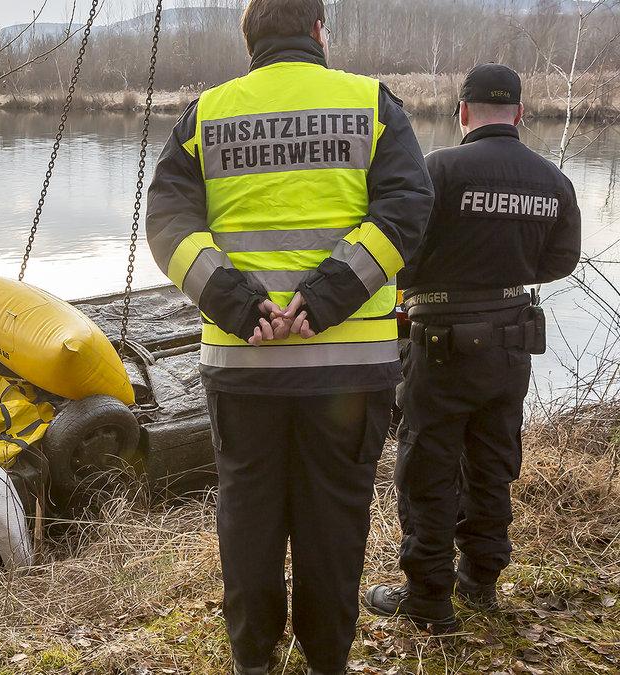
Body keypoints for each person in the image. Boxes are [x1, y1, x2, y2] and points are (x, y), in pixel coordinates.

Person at [145, 0, 433, 672]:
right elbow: (408, 208)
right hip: (350, 370)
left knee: (248, 515)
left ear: (249, 40)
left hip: (243, 363)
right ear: (318, 32)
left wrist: (235, 301)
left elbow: (167, 224)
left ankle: (253, 656)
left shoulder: (207, 115)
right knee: (334, 518)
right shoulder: (371, 106)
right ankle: (327, 656)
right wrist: (329, 293)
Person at [364, 64, 581, 631]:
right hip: (512, 341)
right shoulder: (552, 181)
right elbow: (562, 261)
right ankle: (481, 580)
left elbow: (400, 252)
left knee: (429, 468)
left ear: (462, 112)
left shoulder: (438, 171)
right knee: (493, 463)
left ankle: (430, 599)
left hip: (440, 341)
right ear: (520, 114)